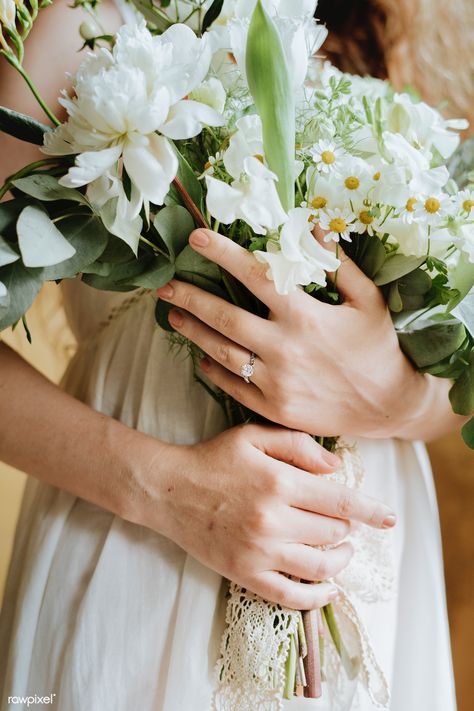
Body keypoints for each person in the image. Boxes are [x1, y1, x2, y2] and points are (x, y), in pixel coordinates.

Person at [0, 1, 465, 709]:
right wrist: (173, 491)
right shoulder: (77, 26)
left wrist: (390, 389)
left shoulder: (369, 39)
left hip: (373, 564)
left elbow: (450, 372)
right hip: (143, 550)